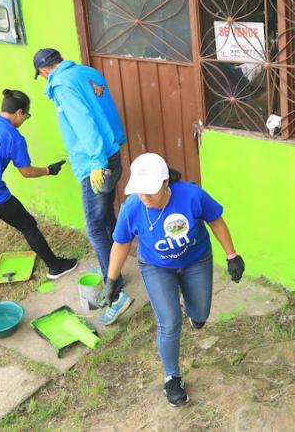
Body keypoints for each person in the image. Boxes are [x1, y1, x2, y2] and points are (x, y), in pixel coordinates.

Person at [102, 153, 245, 406]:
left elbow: (216, 221)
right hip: (156, 267)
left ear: (165, 184)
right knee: (169, 323)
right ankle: (172, 377)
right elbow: (121, 243)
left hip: (196, 261)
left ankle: (195, 315)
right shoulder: (132, 208)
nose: (144, 197)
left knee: (200, 315)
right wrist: (111, 280)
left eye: (150, 192)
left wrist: (232, 255)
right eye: (140, 191)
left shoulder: (191, 195)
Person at [34, 48, 132, 326]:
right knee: (108, 219)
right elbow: (106, 111)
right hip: (110, 154)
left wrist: (97, 163)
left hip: (96, 163)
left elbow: (85, 123)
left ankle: (117, 292)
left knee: (94, 225)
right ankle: (115, 269)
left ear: (44, 72)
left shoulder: (62, 84)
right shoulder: (87, 73)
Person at [0, 89, 78, 292]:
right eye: (26, 115)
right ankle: (55, 266)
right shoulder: (14, 137)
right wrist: (48, 170)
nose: (25, 119)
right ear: (19, 112)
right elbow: (26, 172)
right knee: (28, 225)